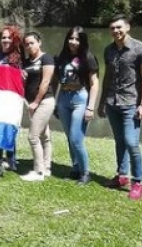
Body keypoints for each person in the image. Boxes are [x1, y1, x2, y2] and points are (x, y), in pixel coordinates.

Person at [97, 14, 142, 200]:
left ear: (127, 27)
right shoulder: (108, 50)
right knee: (119, 141)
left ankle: (138, 182)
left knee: (131, 142)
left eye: (119, 27)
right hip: (113, 102)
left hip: (131, 104)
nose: (116, 31)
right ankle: (122, 176)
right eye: (112, 28)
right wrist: (102, 101)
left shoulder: (140, 49)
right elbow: (107, 77)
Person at [54, 26, 99, 185]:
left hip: (80, 97)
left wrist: (90, 107)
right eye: (71, 38)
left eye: (77, 39)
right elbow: (58, 81)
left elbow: (94, 84)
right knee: (69, 137)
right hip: (64, 98)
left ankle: (85, 173)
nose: (73, 42)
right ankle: (75, 168)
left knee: (76, 138)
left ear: (82, 41)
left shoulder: (88, 57)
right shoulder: (62, 56)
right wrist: (56, 102)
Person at [20, 32, 56, 182]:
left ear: (39, 42)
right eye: (26, 44)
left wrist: (36, 102)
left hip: (44, 101)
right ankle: (46, 168)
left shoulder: (46, 58)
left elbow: (45, 82)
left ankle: (38, 171)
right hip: (31, 102)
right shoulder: (27, 62)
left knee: (33, 136)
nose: (29, 46)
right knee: (45, 136)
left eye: (32, 43)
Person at [0, 24, 24, 178]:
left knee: (9, 127)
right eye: (3, 37)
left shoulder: (17, 56)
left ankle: (11, 158)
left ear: (14, 39)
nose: (6, 40)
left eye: (9, 37)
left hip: (12, 98)